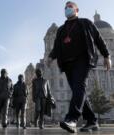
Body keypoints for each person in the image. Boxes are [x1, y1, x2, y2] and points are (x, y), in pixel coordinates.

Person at [47, 1, 112, 133]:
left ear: (77, 10)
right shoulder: (61, 29)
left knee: (79, 87)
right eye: (66, 7)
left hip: (83, 60)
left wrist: (106, 55)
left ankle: (72, 119)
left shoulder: (86, 23)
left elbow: (99, 39)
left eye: (70, 7)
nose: (67, 9)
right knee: (79, 91)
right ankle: (92, 121)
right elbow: (57, 47)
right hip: (67, 64)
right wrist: (50, 57)